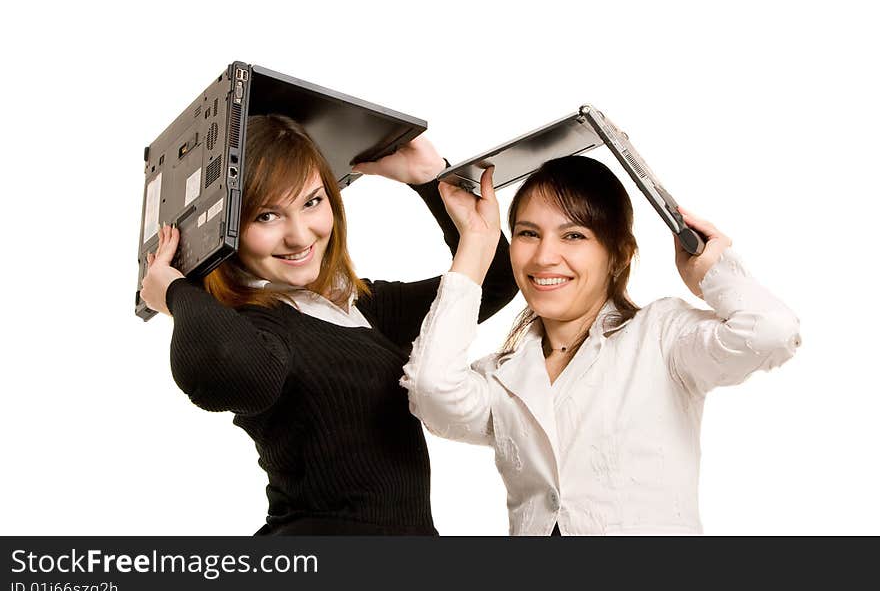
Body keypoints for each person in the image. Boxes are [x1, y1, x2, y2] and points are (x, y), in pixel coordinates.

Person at [139, 114, 518, 535]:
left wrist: (430, 178)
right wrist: (177, 291)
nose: (300, 236)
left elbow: (495, 279)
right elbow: (229, 363)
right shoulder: (257, 324)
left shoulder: (358, 309)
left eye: (312, 202)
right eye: (266, 216)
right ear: (227, 230)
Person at [401, 155, 801, 535]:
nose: (544, 257)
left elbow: (771, 332)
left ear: (619, 255)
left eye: (573, 235)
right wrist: (476, 242)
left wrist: (710, 272)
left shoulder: (661, 336)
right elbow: (431, 390)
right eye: (528, 234)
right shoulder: (502, 374)